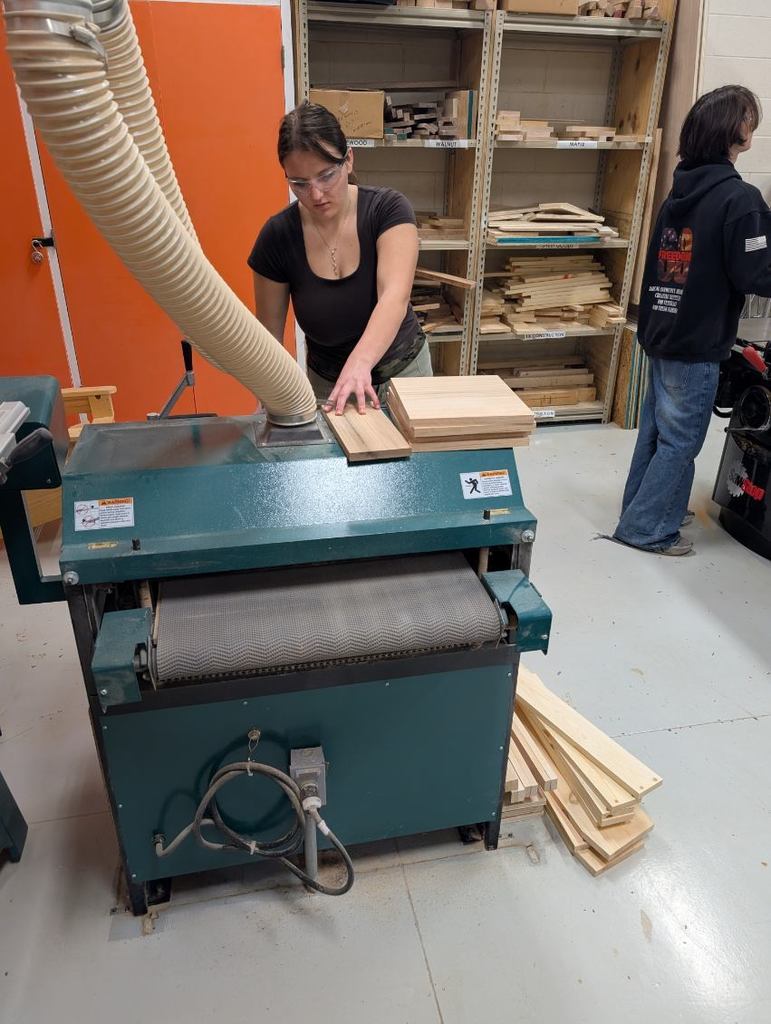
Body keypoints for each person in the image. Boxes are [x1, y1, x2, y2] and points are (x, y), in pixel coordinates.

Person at [614, 85, 771, 556]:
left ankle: (642, 509)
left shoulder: (680, 189)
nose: (752, 128)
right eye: (748, 119)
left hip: (662, 329)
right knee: (681, 441)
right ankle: (647, 529)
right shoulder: (738, 199)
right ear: (733, 131)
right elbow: (755, 274)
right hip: (697, 339)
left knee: (658, 433)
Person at [248, 101, 431, 416]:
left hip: (404, 376)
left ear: (348, 160)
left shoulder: (388, 210)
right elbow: (269, 342)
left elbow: (394, 299)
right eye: (300, 184)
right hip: (327, 388)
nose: (316, 195)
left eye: (326, 176)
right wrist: (270, 399)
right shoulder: (277, 237)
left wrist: (359, 364)